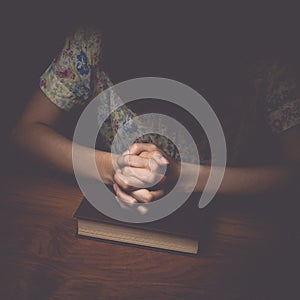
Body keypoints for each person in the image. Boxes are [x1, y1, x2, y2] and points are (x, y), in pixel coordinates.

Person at [11, 26, 300, 204]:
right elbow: (26, 132)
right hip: (117, 212)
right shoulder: (93, 40)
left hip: (226, 222)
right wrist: (115, 167)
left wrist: (179, 175)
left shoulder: (262, 58)